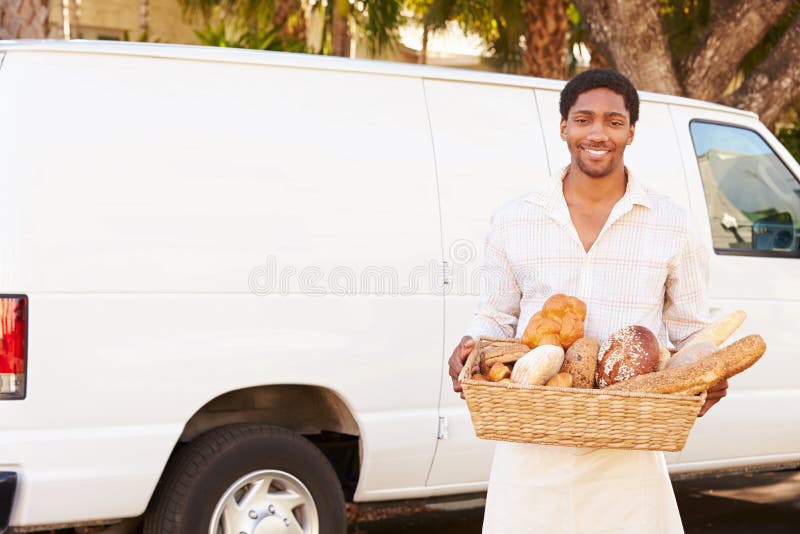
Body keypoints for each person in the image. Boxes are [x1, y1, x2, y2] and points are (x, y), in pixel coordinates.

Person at [448, 69, 728, 533]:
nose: (598, 133)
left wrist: (707, 371)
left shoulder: (671, 224)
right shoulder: (515, 220)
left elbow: (692, 329)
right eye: (584, 120)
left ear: (632, 132)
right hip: (530, 445)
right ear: (564, 127)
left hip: (628, 449)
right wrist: (469, 353)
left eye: (614, 122)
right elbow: (495, 319)